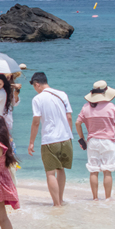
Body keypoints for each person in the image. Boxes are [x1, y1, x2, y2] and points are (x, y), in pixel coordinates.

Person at [28, 71, 74, 207]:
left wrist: (31, 142)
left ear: (37, 84)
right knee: (61, 170)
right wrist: (68, 134)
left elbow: (36, 122)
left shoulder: (37, 99)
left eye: (35, 87)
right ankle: (60, 199)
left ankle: (56, 204)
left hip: (50, 139)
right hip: (66, 139)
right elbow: (69, 117)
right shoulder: (62, 94)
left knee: (50, 173)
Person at [76, 80, 115, 200]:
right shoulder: (111, 106)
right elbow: (114, 124)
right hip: (108, 141)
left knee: (93, 171)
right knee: (107, 171)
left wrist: (82, 138)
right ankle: (107, 198)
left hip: (92, 141)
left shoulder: (86, 107)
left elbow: (77, 123)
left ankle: (95, 198)